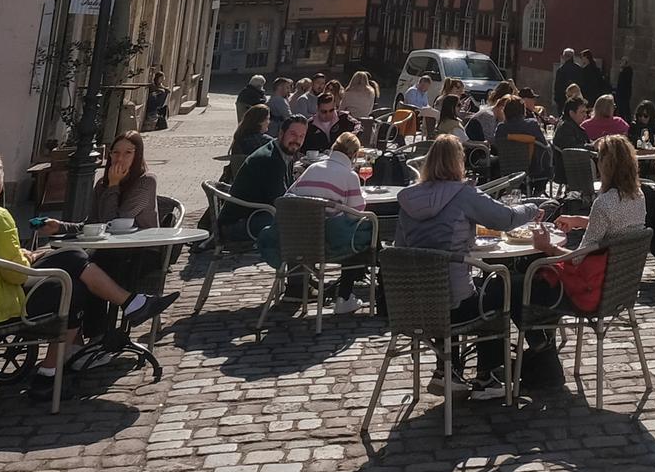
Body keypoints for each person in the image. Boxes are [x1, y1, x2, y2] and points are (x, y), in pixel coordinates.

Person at [0, 151, 171, 390]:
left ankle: (55, 368)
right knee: (73, 271)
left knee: (71, 269)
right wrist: (28, 260)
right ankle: (128, 307)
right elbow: (16, 275)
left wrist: (26, 256)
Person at [394, 135, 543, 400]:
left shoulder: (408, 199)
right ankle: (490, 375)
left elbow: (400, 249)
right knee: (504, 286)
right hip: (455, 305)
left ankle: (447, 369)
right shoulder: (463, 193)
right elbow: (505, 219)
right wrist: (534, 207)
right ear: (458, 162)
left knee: (458, 284)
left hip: (415, 304)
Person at [530, 134, 648, 315]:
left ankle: (542, 338)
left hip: (593, 291)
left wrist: (548, 247)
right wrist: (578, 220)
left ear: (605, 164)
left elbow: (577, 258)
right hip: (622, 287)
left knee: (531, 277)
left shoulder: (605, 202)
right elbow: (617, 227)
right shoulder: (638, 196)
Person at [275, 130, 375, 314]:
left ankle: (334, 292)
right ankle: (344, 296)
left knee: (347, 230)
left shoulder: (313, 168)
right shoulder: (349, 176)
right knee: (363, 233)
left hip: (300, 241)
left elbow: (289, 196)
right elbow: (355, 214)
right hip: (328, 243)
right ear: (353, 155)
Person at [226, 116, 309, 241]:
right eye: (293, 134)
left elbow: (287, 192)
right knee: (300, 225)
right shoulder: (271, 159)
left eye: (301, 136)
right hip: (239, 223)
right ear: (281, 133)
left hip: (259, 213)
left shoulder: (285, 152)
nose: (296, 140)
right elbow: (280, 201)